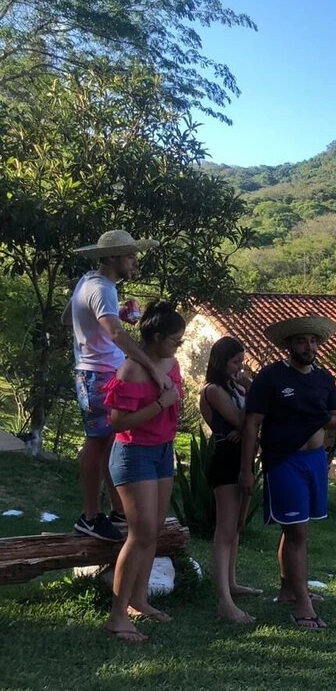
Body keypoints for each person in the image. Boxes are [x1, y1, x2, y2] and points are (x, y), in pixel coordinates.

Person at [63, 230, 170, 543]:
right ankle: (90, 517)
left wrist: (112, 315)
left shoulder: (88, 281)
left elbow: (68, 318)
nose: (135, 262)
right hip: (96, 374)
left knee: (111, 442)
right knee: (98, 444)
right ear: (112, 257)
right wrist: (151, 366)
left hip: (98, 372)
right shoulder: (103, 288)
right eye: (130, 256)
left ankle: (118, 510)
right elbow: (117, 335)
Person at [241, 315, 336, 631]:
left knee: (296, 531)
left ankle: (288, 590)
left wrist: (317, 417)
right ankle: (304, 607)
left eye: (313, 341)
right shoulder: (271, 377)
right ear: (288, 345)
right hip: (283, 461)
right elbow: (251, 424)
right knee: (297, 532)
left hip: (315, 461)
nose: (309, 347)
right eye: (301, 341)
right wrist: (246, 469)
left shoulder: (324, 379)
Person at [102, 301, 185, 642]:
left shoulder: (172, 364)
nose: (179, 346)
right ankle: (117, 615)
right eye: (175, 340)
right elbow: (117, 423)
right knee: (140, 533)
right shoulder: (131, 371)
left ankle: (139, 600)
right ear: (157, 337)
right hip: (134, 454)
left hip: (163, 452)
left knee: (153, 531)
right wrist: (160, 404)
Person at [199, 336, 260, 624]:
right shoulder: (213, 390)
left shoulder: (235, 387)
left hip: (243, 456)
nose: (240, 367)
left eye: (241, 361)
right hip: (225, 460)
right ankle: (224, 601)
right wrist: (252, 394)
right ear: (220, 362)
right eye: (235, 361)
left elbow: (253, 423)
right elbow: (241, 420)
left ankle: (232, 582)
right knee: (225, 530)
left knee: (237, 525)